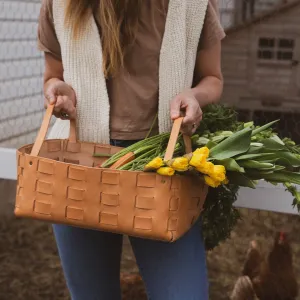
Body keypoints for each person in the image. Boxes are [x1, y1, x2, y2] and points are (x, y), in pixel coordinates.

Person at [38, 0, 225, 299]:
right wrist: (57, 91)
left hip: (164, 170)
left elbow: (212, 78)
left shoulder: (191, 4)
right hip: (81, 169)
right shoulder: (61, 5)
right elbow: (53, 75)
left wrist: (194, 96)